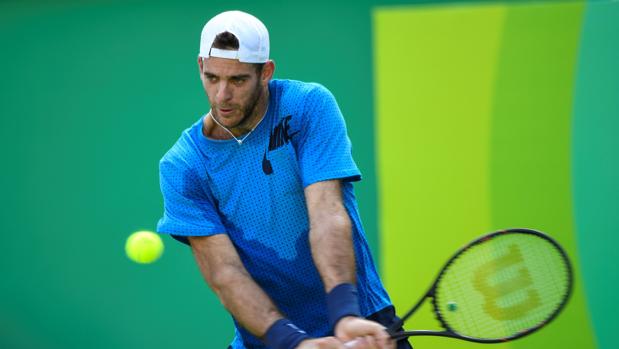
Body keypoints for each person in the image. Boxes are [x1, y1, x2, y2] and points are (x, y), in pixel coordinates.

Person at [156, 10, 411, 349]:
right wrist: (293, 342)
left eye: (238, 80)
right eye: (212, 77)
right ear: (200, 65)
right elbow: (225, 273)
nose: (221, 96)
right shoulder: (183, 165)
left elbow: (327, 213)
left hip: (360, 320)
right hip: (270, 340)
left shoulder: (307, 106)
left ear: (266, 72)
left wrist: (345, 314)